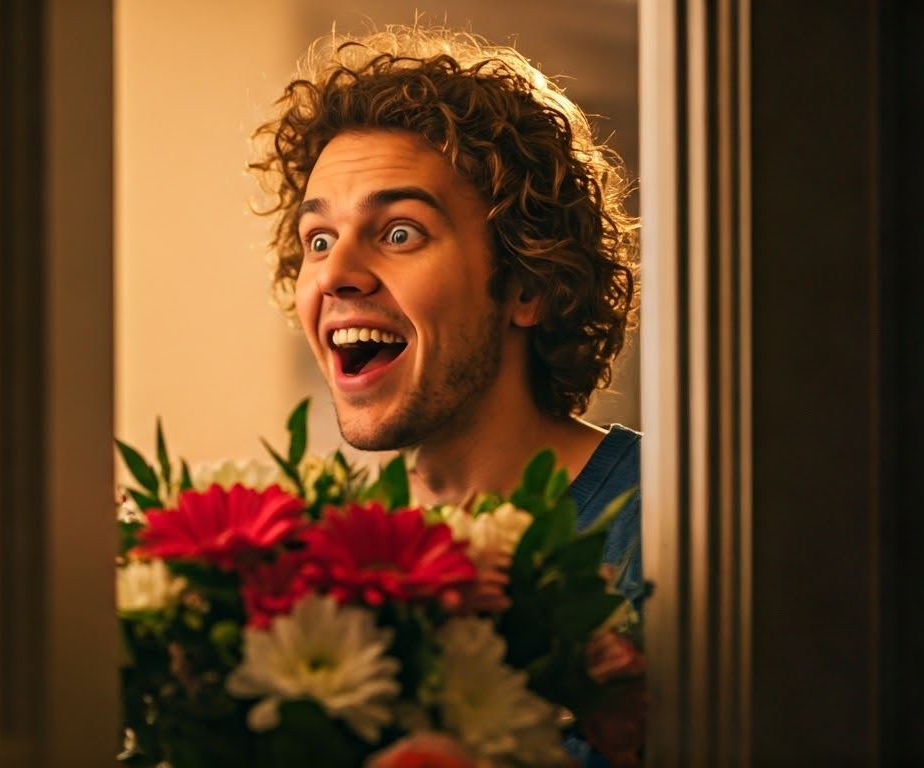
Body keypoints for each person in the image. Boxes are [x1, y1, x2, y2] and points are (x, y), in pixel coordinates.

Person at [249, 25, 643, 766]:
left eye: (399, 233)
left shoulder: (673, 532)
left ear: (527, 283)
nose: (336, 275)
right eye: (319, 240)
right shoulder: (321, 573)